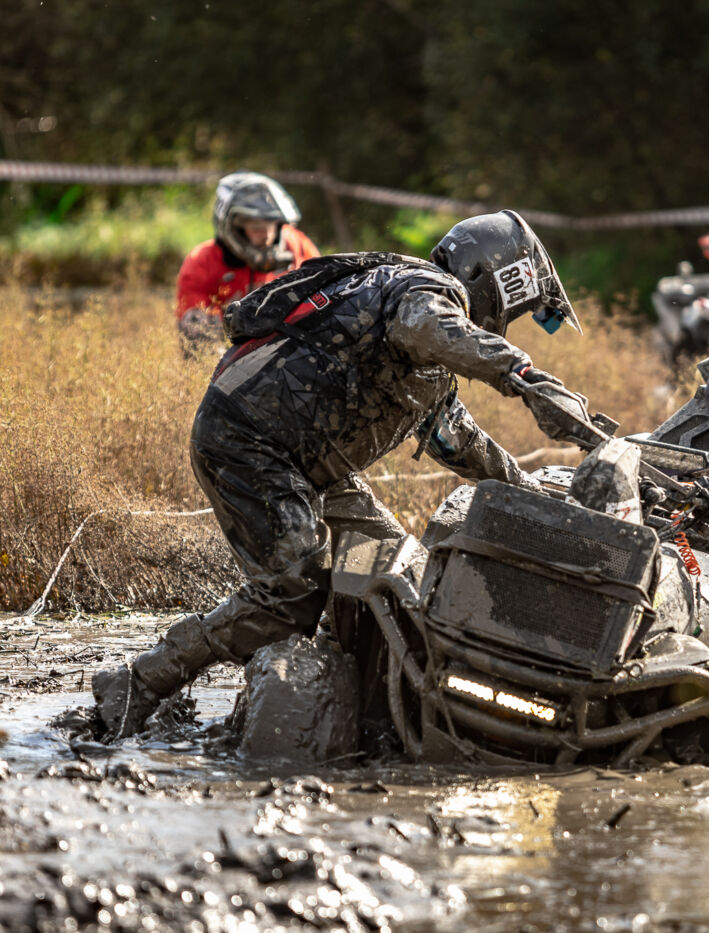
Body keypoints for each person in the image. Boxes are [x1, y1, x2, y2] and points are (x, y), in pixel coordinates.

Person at [93, 210, 590, 738]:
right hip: (248, 441)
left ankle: (352, 703)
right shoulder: (421, 291)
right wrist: (523, 376)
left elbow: (458, 441)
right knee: (292, 593)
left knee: (392, 575)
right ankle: (138, 682)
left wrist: (532, 494)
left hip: (306, 462)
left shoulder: (426, 350)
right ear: (492, 280)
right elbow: (429, 325)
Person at [175, 171, 320, 352]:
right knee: (195, 324)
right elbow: (196, 328)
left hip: (292, 350)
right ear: (234, 228)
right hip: (229, 354)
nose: (267, 236)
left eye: (272, 226)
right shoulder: (201, 262)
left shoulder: (297, 246)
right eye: (257, 228)